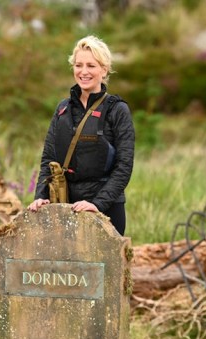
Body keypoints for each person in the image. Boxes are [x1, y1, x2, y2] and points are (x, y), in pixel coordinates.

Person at [27, 35, 134, 235]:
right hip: (65, 206)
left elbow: (124, 166)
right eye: (78, 65)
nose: (83, 72)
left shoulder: (117, 110)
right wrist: (41, 196)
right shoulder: (62, 109)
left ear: (104, 69)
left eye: (91, 66)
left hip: (106, 209)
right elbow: (48, 159)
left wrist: (97, 204)